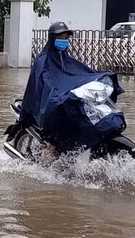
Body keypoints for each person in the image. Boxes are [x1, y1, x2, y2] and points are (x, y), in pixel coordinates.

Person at [17, 21, 124, 153]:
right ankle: (43, 170)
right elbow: (47, 84)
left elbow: (79, 73)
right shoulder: (42, 61)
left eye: (66, 38)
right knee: (54, 144)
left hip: (66, 101)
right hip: (50, 105)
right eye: (60, 38)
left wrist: (98, 78)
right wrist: (60, 96)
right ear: (52, 38)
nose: (64, 41)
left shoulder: (65, 58)